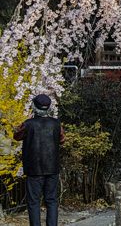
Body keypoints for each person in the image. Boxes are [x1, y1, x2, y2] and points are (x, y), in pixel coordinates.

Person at [12, 94, 65, 226]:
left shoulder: (28, 124)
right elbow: (61, 140)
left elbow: (16, 136)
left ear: (34, 107)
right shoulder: (56, 123)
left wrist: (26, 120)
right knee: (51, 200)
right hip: (52, 167)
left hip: (34, 167)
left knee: (34, 202)